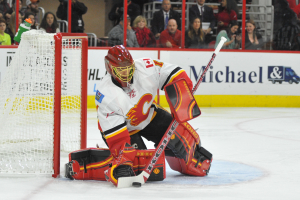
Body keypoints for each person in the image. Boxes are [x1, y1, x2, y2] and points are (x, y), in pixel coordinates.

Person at [94, 45, 212, 186]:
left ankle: (189, 161)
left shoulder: (145, 68)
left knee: (181, 136)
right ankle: (104, 157)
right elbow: (118, 138)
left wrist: (182, 92)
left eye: (128, 68)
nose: (126, 74)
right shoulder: (106, 94)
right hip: (124, 130)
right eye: (121, 70)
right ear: (109, 68)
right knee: (139, 166)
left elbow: (174, 73)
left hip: (149, 116)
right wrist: (123, 160)